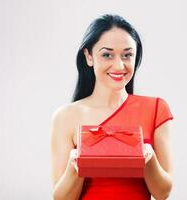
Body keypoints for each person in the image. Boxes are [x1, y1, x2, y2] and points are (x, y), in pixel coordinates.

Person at [50, 14, 174, 200]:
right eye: (107, 55)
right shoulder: (66, 116)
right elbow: (63, 198)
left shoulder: (156, 109)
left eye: (127, 55)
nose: (119, 65)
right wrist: (74, 165)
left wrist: (149, 160)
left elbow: (162, 193)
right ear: (89, 57)